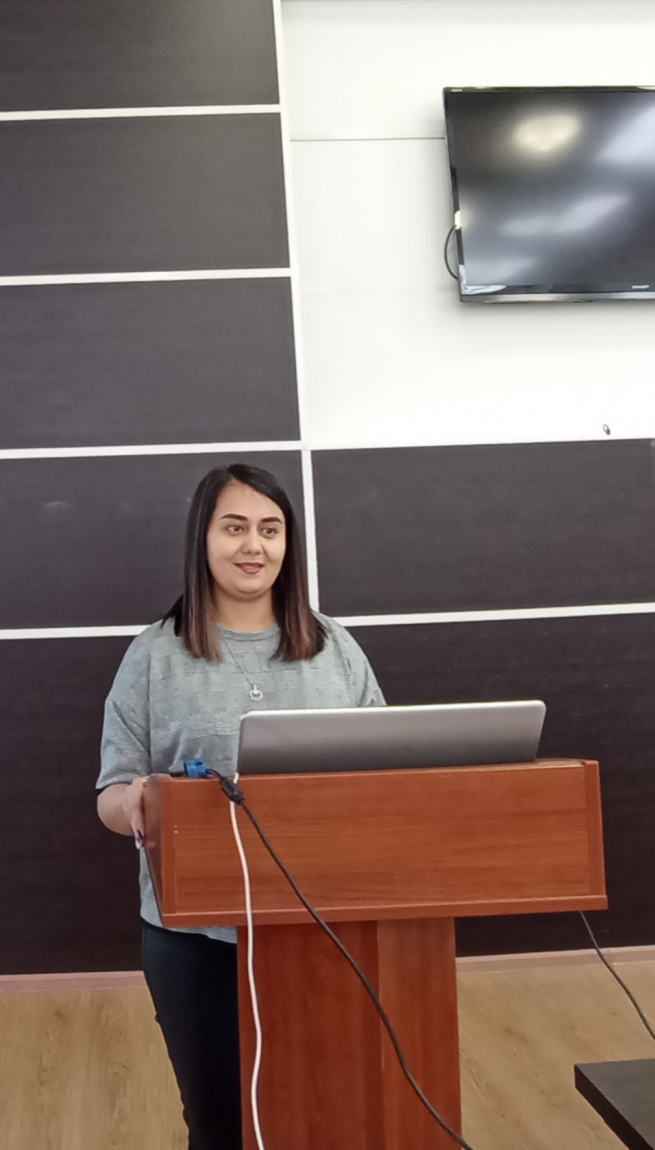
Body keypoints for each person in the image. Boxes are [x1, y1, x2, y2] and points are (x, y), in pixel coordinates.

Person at [97, 464, 384, 1149]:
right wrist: (135, 802)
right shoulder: (153, 656)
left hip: (326, 926)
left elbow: (386, 771)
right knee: (221, 1126)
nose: (254, 545)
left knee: (328, 1118)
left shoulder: (335, 647)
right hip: (194, 939)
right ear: (203, 539)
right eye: (234, 528)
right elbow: (112, 792)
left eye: (270, 529)